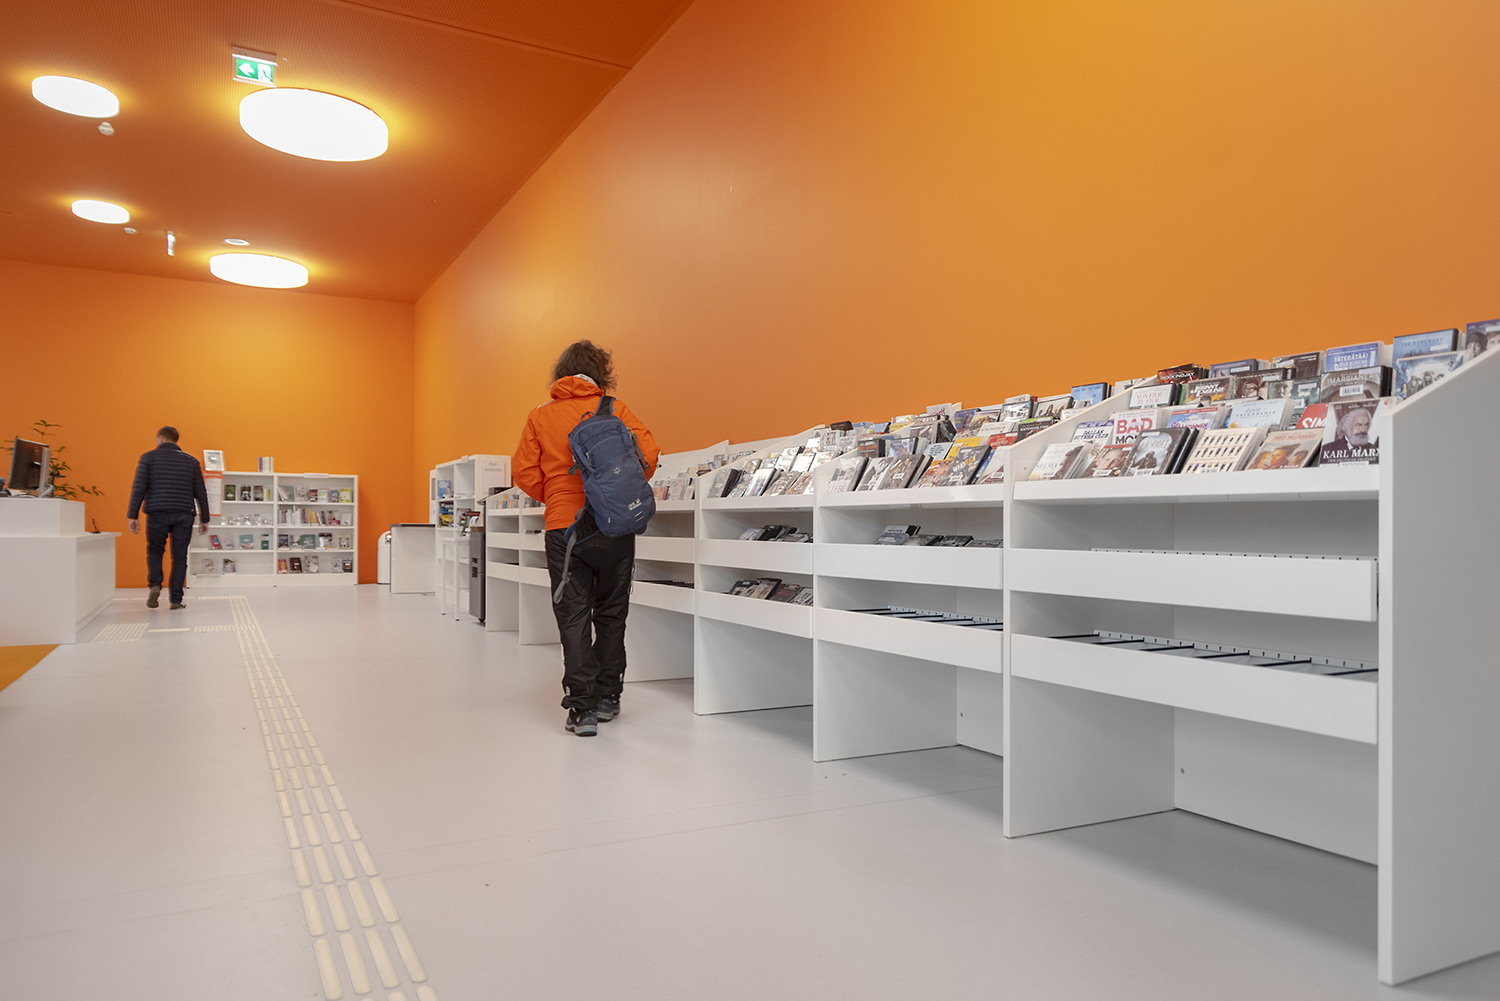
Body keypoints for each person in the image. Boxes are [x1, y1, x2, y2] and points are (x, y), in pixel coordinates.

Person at [513, 341, 659, 737]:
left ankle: (583, 709)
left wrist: (558, 496)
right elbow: (648, 456)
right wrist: (613, 492)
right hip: (613, 524)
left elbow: (524, 473)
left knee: (573, 616)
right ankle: (609, 696)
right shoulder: (614, 408)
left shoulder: (539, 415)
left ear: (560, 373)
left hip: (565, 528)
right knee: (612, 612)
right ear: (600, 373)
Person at [127, 426, 210, 609]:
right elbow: (200, 492)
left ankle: (155, 585)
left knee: (155, 551)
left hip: (157, 512)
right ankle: (176, 600)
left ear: (160, 438)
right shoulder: (191, 461)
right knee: (180, 557)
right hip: (184, 513)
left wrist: (133, 515)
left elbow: (139, 488)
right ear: (176, 440)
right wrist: (205, 518)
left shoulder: (148, 458)